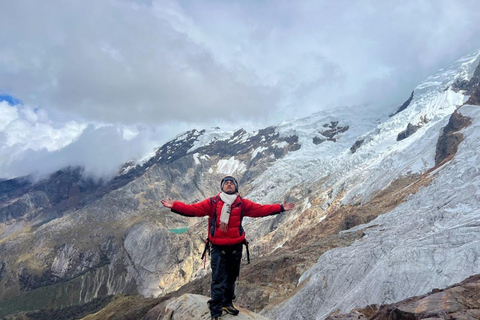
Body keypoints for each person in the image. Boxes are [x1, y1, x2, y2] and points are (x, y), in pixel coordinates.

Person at [161, 175, 294, 320]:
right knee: (218, 279)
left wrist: (280, 208)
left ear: (236, 187)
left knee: (231, 277)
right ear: (222, 187)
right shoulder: (213, 202)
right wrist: (174, 206)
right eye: (226, 183)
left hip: (236, 247)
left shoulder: (241, 204)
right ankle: (216, 312)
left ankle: (227, 303)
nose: (229, 184)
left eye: (232, 183)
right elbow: (193, 210)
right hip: (218, 247)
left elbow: (260, 210)